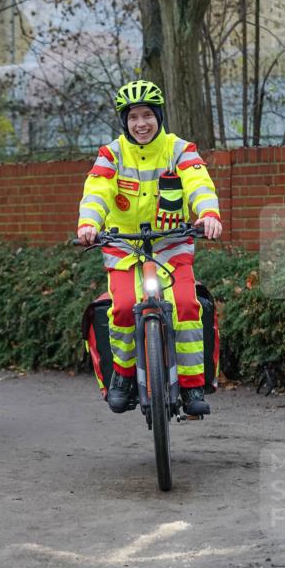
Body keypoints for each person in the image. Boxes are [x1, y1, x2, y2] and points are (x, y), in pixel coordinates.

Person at [77, 80, 222, 415]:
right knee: (124, 307)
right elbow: (96, 190)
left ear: (159, 116)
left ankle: (191, 386)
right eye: (133, 117)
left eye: (147, 115)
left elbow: (199, 184)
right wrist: (89, 223)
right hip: (124, 248)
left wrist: (208, 214)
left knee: (186, 304)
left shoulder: (180, 150)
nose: (141, 124)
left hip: (171, 246)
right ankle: (124, 378)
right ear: (124, 122)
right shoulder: (110, 154)